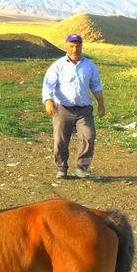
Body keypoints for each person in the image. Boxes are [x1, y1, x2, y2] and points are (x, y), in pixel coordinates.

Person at [41, 34, 105, 179]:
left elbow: (96, 85)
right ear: (66, 46)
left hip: (84, 110)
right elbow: (48, 84)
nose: (75, 49)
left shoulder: (89, 65)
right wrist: (48, 100)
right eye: (71, 46)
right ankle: (61, 168)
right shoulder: (58, 65)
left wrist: (101, 103)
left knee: (88, 136)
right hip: (63, 108)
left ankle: (82, 168)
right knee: (60, 140)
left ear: (81, 46)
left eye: (78, 46)